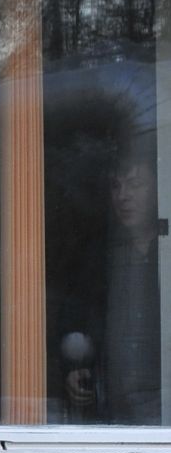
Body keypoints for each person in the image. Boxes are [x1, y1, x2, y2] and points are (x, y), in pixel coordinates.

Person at [63, 149, 163, 425]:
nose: (123, 195)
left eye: (135, 184)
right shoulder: (103, 257)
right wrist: (78, 368)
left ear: (160, 186)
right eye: (116, 185)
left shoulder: (164, 253)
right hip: (113, 404)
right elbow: (83, 325)